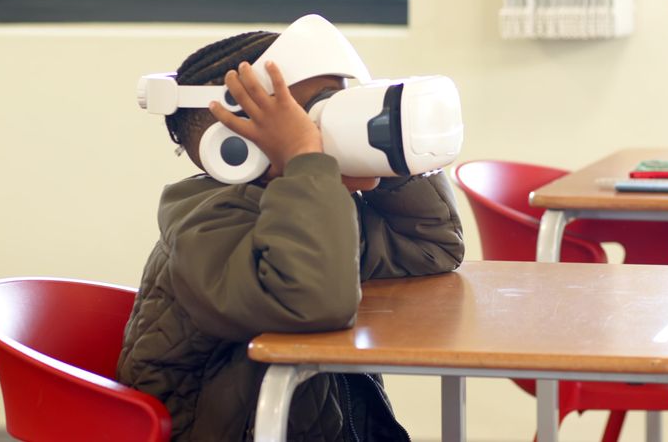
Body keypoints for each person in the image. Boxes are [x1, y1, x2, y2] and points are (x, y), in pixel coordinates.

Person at [117, 30, 465, 441]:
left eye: (341, 103)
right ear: (237, 143)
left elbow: (430, 247)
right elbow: (312, 303)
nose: (338, 124)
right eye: (314, 116)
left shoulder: (312, 207)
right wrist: (307, 161)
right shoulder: (207, 224)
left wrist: (386, 156)